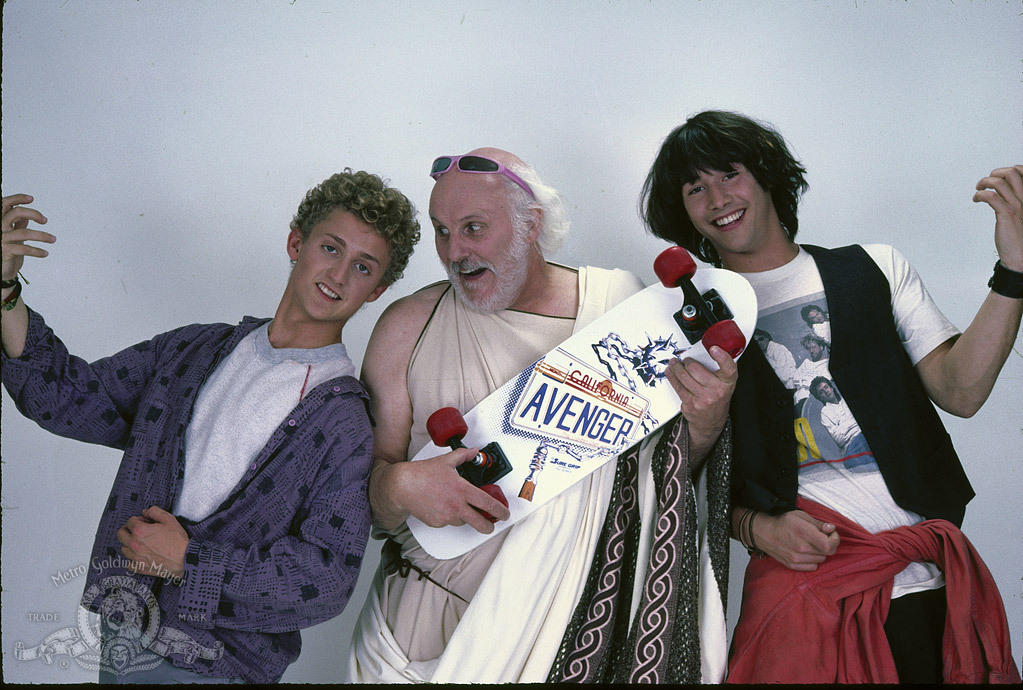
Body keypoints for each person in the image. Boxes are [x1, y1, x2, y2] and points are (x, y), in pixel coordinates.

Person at [641, 109, 1022, 684]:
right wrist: (756, 528)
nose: (717, 197)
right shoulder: (678, 324)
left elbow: (960, 390)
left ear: (768, 175)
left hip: (921, 580)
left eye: (729, 174)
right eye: (696, 188)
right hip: (799, 598)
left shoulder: (874, 268)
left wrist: (1014, 271)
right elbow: (674, 474)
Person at [0, 170, 421, 684]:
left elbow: (327, 577)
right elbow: (69, 398)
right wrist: (4, 289)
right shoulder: (194, 351)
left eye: (362, 266)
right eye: (331, 248)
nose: (338, 274)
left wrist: (189, 562)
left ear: (377, 289)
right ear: (296, 242)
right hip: (124, 631)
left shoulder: (342, 422)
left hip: (216, 663)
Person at [347, 148, 735, 683]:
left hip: (576, 639)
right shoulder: (406, 326)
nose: (454, 251)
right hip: (415, 642)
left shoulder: (621, 305)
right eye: (441, 231)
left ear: (531, 224)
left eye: (473, 228)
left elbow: (664, 478)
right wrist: (397, 486)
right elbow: (355, 505)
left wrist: (708, 418)